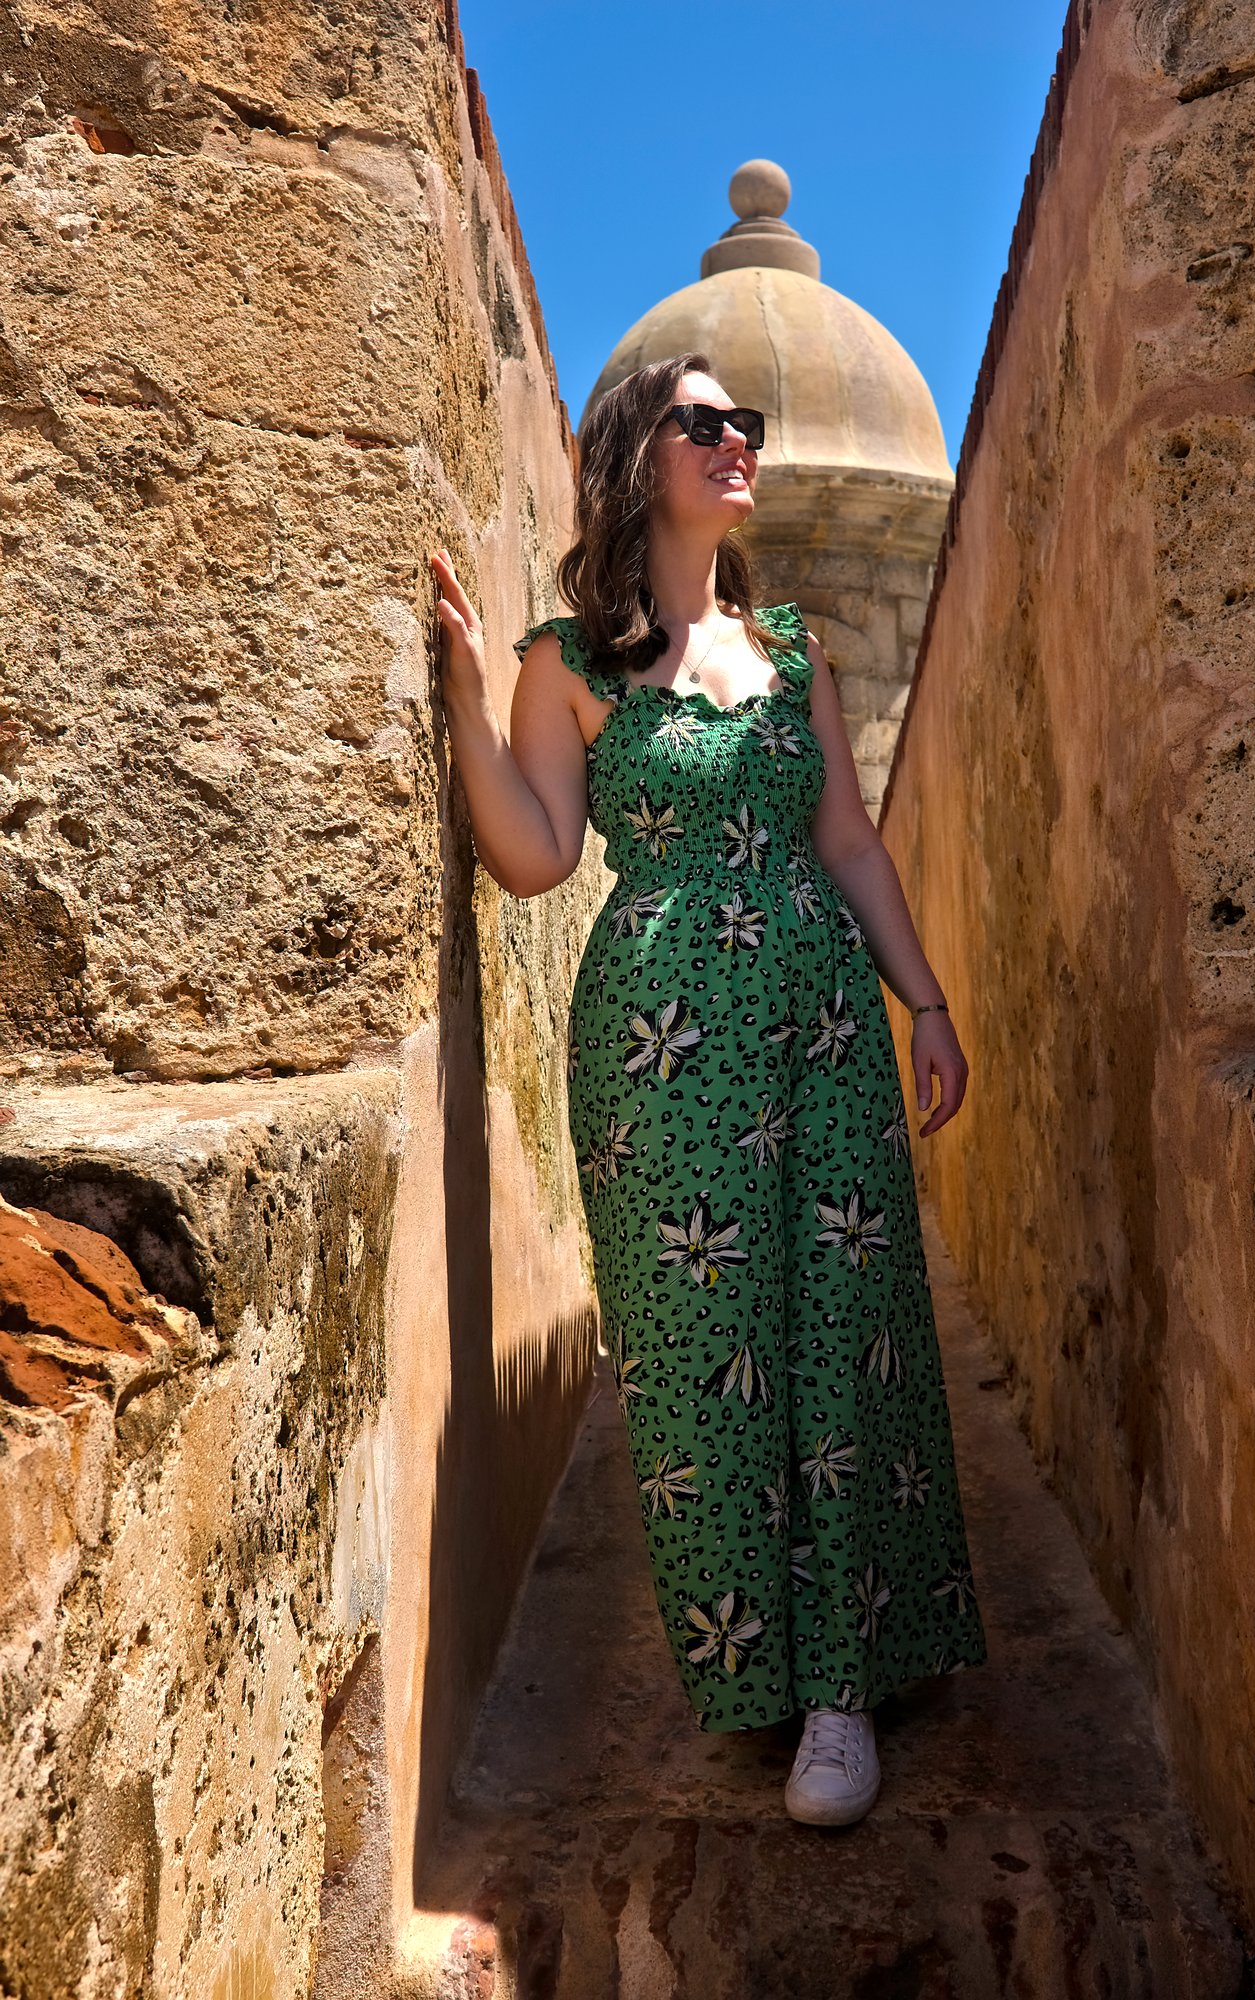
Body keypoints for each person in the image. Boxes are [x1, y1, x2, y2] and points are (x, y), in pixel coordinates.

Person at [431, 352, 986, 1827]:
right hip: (654, 1048)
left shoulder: (796, 650)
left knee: (843, 1327)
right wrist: (466, 716)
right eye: (700, 419)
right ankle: (754, 1663)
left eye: (744, 418)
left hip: (818, 1026)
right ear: (636, 454)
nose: (735, 437)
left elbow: (851, 845)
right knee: (698, 1347)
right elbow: (540, 853)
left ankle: (842, 1686)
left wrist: (921, 1002)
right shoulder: (570, 662)